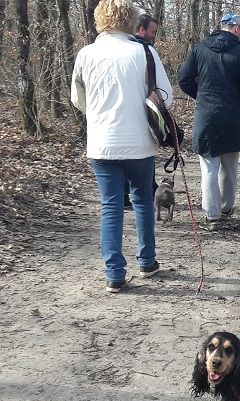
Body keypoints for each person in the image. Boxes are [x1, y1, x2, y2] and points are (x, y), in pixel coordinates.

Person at [71, 0, 173, 293]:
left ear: (99, 20)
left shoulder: (86, 54)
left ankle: (114, 274)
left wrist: (99, 115)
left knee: (111, 206)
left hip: (101, 143)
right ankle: (147, 261)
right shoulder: (144, 52)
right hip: (138, 142)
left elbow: (78, 99)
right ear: (131, 21)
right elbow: (165, 96)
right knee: (142, 201)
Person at [177, 13, 240, 230]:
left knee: (209, 167)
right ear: (235, 29)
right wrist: (236, 100)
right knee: (230, 166)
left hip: (206, 115)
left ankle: (211, 216)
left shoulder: (198, 48)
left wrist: (202, 96)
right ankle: (225, 207)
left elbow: (183, 79)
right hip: (231, 115)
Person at [124, 13, 160, 209]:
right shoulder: (145, 51)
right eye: (152, 32)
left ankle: (124, 195)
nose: (154, 35)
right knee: (143, 153)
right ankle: (146, 190)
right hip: (140, 112)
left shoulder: (117, 50)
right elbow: (162, 90)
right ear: (141, 30)